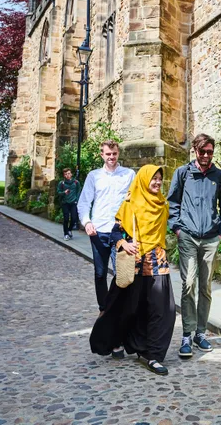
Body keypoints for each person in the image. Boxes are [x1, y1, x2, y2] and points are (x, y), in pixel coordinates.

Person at [89, 165, 176, 375]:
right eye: (153, 178)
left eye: (159, 179)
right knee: (128, 307)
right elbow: (115, 233)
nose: (156, 182)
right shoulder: (130, 204)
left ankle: (153, 355)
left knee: (164, 310)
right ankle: (124, 342)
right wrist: (124, 245)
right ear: (144, 180)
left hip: (157, 260)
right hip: (135, 261)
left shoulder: (162, 205)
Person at [167, 133, 221, 359]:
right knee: (188, 284)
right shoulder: (183, 174)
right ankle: (186, 333)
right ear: (195, 150)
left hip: (211, 239)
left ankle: (200, 333)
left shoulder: (219, 176)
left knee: (204, 287)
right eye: (202, 151)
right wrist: (176, 228)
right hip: (188, 236)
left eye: (210, 152)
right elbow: (172, 202)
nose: (206, 156)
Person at [77, 140, 135, 314]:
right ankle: (104, 309)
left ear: (118, 153)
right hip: (98, 231)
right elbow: (84, 202)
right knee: (100, 273)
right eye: (108, 154)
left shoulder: (128, 174)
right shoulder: (94, 176)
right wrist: (87, 222)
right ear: (102, 154)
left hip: (120, 232)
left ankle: (116, 307)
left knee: (122, 274)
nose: (111, 157)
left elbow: (135, 201)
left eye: (114, 153)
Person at [57, 168, 81, 240]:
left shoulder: (76, 182)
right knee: (66, 219)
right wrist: (64, 192)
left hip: (73, 202)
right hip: (65, 203)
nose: (67, 175)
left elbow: (78, 191)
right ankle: (66, 234)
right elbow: (58, 192)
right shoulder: (62, 183)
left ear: (71, 174)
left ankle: (69, 230)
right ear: (64, 175)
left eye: (69, 173)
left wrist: (77, 200)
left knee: (74, 218)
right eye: (66, 174)